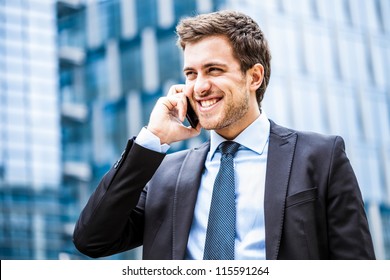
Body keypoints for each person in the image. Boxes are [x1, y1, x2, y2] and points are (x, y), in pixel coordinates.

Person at [73, 10, 375, 260]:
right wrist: (153, 138)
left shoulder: (321, 157)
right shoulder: (164, 174)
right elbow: (92, 239)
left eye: (214, 70)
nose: (199, 86)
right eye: (191, 74)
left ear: (253, 77)